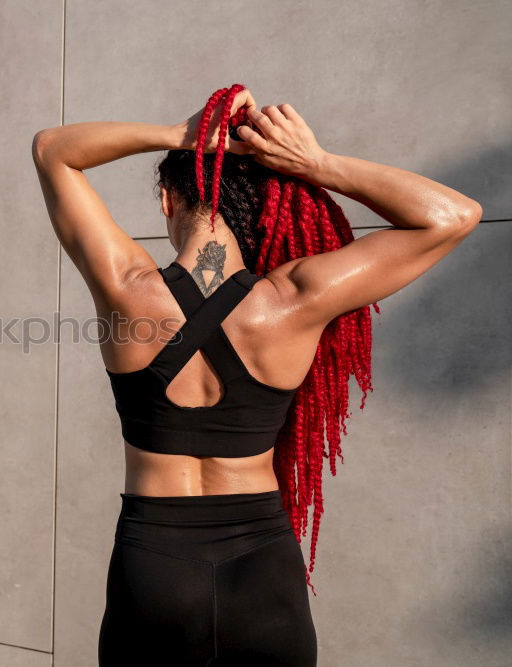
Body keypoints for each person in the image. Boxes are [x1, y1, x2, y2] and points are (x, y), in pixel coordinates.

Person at [30, 84, 482, 666]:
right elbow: (453, 216)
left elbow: (52, 150)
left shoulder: (127, 289)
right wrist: (318, 164)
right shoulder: (294, 298)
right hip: (262, 565)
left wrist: (179, 136)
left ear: (168, 200)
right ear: (263, 206)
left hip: (154, 559)